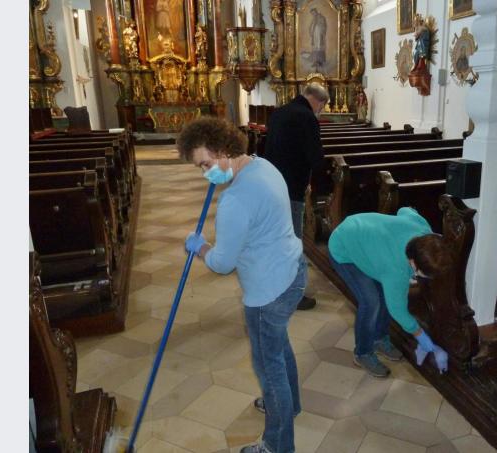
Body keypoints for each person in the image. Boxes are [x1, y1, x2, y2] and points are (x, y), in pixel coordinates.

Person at [179, 117, 305, 453]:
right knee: (279, 347)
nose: (205, 173)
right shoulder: (263, 165)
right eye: (199, 168)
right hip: (293, 271)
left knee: (268, 366)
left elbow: (222, 263)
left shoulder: (234, 201)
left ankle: (277, 444)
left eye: (206, 164)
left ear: (223, 150)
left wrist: (199, 246)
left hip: (268, 292)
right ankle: (289, 407)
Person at [327, 207, 453, 377]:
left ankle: (379, 338)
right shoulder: (396, 270)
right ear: (413, 264)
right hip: (344, 247)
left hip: (370, 244)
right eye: (424, 274)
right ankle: (363, 353)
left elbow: (405, 210)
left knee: (384, 296)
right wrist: (425, 340)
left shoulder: (423, 231)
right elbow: (398, 311)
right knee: (371, 303)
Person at [263, 83, 329, 311]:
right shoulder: (307, 117)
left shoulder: (279, 112)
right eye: (321, 107)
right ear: (319, 102)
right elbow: (315, 157)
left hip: (273, 184)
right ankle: (292, 294)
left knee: (278, 239)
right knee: (292, 243)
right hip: (291, 188)